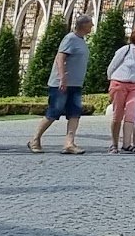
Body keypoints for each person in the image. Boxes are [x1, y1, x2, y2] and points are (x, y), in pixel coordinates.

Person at [26, 15, 93, 155]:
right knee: (53, 112)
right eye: (90, 24)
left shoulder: (81, 40)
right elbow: (60, 57)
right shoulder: (70, 38)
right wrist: (62, 78)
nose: (92, 26)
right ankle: (35, 139)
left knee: (75, 113)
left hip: (75, 84)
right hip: (61, 84)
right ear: (84, 25)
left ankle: (69, 144)